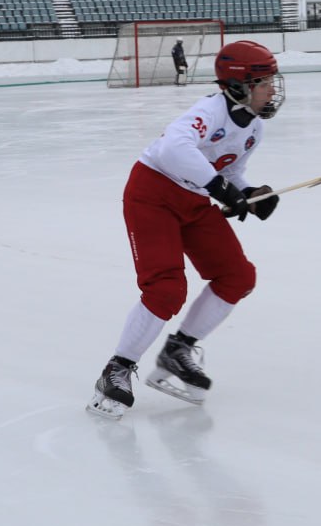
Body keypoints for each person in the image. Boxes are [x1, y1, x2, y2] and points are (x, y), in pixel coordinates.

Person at [88, 40, 286, 420]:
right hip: (153, 194)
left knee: (237, 276)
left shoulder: (254, 128)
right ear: (239, 86)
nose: (272, 89)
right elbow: (172, 150)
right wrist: (218, 187)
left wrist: (250, 192)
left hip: (193, 199)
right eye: (265, 82)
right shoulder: (209, 111)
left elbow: (229, 171)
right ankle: (117, 369)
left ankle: (178, 349)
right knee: (166, 288)